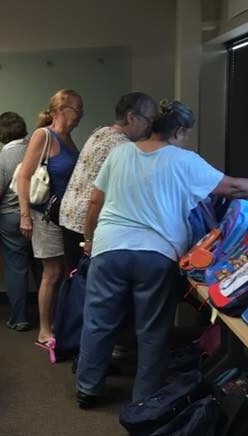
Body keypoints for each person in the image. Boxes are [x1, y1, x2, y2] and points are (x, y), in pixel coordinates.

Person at [76, 100, 248, 407]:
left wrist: (89, 240)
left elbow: (94, 203)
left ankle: (88, 389)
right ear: (179, 131)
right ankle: (144, 398)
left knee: (98, 321)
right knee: (152, 328)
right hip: (156, 254)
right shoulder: (185, 161)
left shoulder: (120, 153)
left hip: (109, 248)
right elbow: (233, 188)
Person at [60, 92, 158, 270]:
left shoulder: (100, 131)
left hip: (68, 215)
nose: (149, 127)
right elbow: (99, 197)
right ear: (131, 117)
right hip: (86, 223)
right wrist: (89, 238)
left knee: (73, 280)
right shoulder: (124, 148)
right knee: (86, 285)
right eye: (149, 119)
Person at [17, 89, 82, 356]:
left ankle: (60, 323)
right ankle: (45, 331)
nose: (80, 115)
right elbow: (24, 176)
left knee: (67, 273)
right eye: (77, 109)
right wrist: (24, 215)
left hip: (66, 218)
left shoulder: (68, 139)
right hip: (44, 216)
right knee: (52, 273)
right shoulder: (43, 135)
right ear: (59, 110)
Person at [0, 111, 36, 331]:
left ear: (1, 133)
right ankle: (52, 320)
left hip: (12, 218)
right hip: (39, 217)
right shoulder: (36, 149)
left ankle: (19, 318)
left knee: (16, 268)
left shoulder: (5, 157)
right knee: (45, 269)